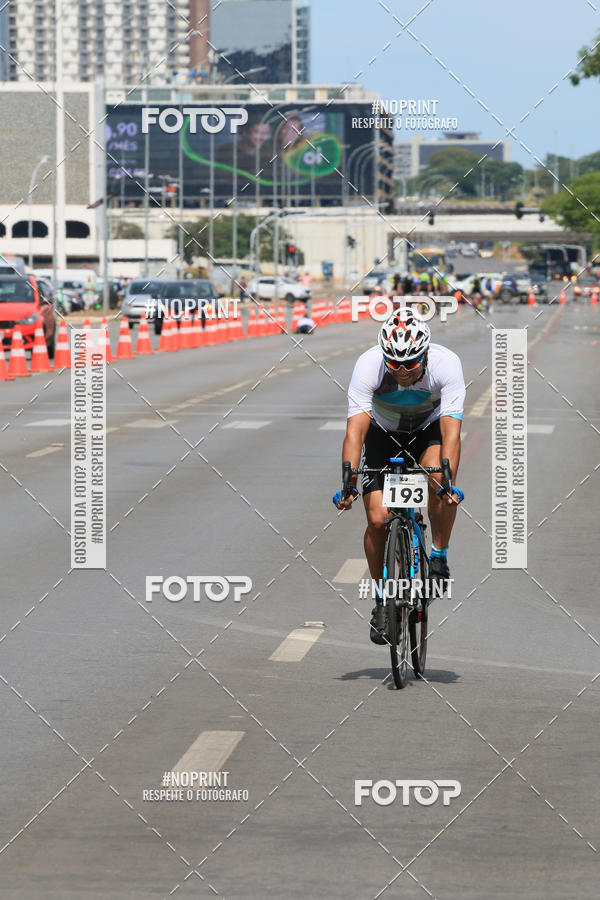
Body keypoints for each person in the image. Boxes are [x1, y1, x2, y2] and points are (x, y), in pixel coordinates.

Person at [335, 308, 465, 644]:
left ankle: (438, 555)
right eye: (394, 363)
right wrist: (348, 484)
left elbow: (451, 433)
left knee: (439, 481)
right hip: (383, 434)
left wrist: (448, 482)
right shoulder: (368, 365)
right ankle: (381, 600)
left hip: (427, 431)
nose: (403, 371)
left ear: (426, 353)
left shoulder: (446, 364)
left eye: (411, 363)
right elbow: (355, 432)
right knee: (378, 520)